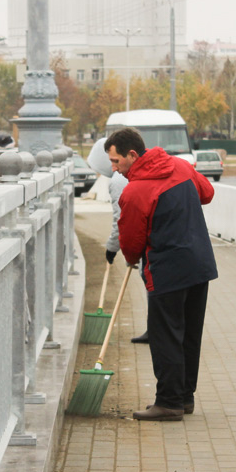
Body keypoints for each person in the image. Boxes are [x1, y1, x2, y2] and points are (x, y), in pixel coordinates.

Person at [105, 127, 217, 421]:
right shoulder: (180, 166)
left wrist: (131, 258)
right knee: (189, 335)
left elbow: (131, 243)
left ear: (132, 154)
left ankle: (168, 402)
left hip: (167, 271)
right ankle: (184, 398)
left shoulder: (136, 191)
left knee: (165, 335)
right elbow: (207, 193)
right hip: (200, 264)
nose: (114, 169)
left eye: (116, 162)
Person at [87, 138, 143, 342]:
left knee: (152, 283)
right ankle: (156, 330)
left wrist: (112, 248)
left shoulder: (118, 181)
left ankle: (158, 332)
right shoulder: (124, 177)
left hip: (146, 243)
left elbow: (121, 220)